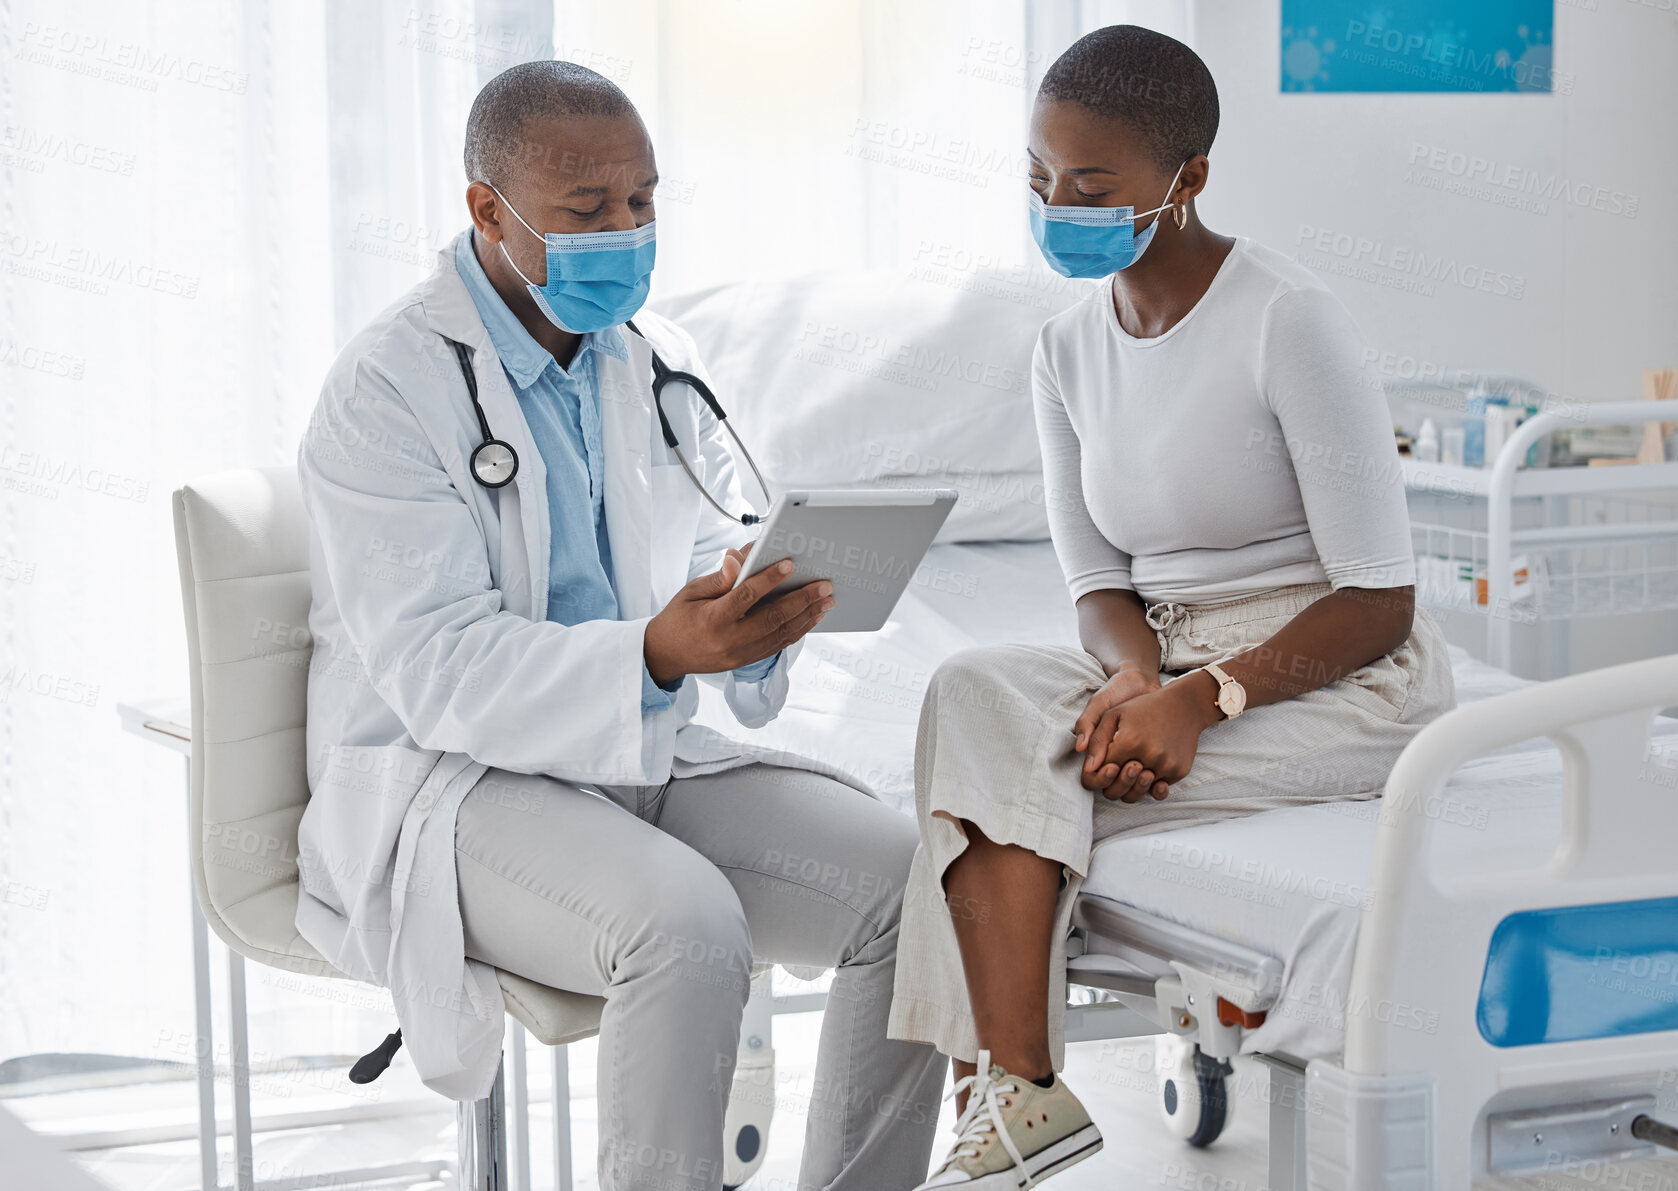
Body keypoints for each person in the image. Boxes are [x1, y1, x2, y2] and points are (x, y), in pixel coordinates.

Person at [295, 60, 944, 1191]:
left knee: (916, 882)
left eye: (642, 202)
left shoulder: (657, 360)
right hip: (453, 782)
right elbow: (434, 672)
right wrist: (655, 651)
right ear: (486, 212)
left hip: (637, 750)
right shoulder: (386, 394)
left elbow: (692, 560)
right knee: (685, 924)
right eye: (585, 212)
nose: (625, 233)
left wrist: (750, 612)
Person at [887, 25, 1455, 1189]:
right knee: (972, 692)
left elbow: (1380, 598)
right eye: (1039, 180)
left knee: (1012, 792)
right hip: (1163, 659)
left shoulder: (1287, 320)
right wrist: (1136, 682)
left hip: (1331, 667)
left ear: (1186, 180)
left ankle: (1004, 1102)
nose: (1057, 206)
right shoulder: (1061, 349)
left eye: (1091, 187)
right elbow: (1097, 579)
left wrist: (1206, 700)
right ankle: (1025, 1091)